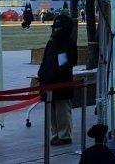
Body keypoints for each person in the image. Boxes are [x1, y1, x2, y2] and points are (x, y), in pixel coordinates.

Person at [38, 14, 78, 146]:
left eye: (57, 28)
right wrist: (42, 75)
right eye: (54, 28)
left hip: (62, 84)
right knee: (51, 112)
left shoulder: (68, 43)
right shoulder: (50, 44)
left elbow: (69, 63)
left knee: (62, 110)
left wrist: (56, 76)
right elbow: (45, 61)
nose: (54, 31)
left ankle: (65, 135)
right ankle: (55, 134)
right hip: (47, 83)